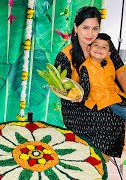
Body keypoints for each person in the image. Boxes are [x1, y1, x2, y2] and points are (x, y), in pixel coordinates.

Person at [54, 6, 126, 158]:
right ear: (76, 27)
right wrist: (77, 95)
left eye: (95, 28)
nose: (91, 34)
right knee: (110, 117)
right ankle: (99, 160)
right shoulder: (65, 56)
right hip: (78, 107)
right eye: (85, 28)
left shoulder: (104, 45)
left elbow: (121, 74)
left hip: (107, 96)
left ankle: (101, 161)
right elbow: (62, 89)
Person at [79, 33, 126, 120]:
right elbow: (84, 89)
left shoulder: (109, 62)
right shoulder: (85, 67)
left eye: (104, 47)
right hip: (102, 100)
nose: (99, 49)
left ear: (108, 53)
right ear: (88, 49)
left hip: (116, 96)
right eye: (96, 45)